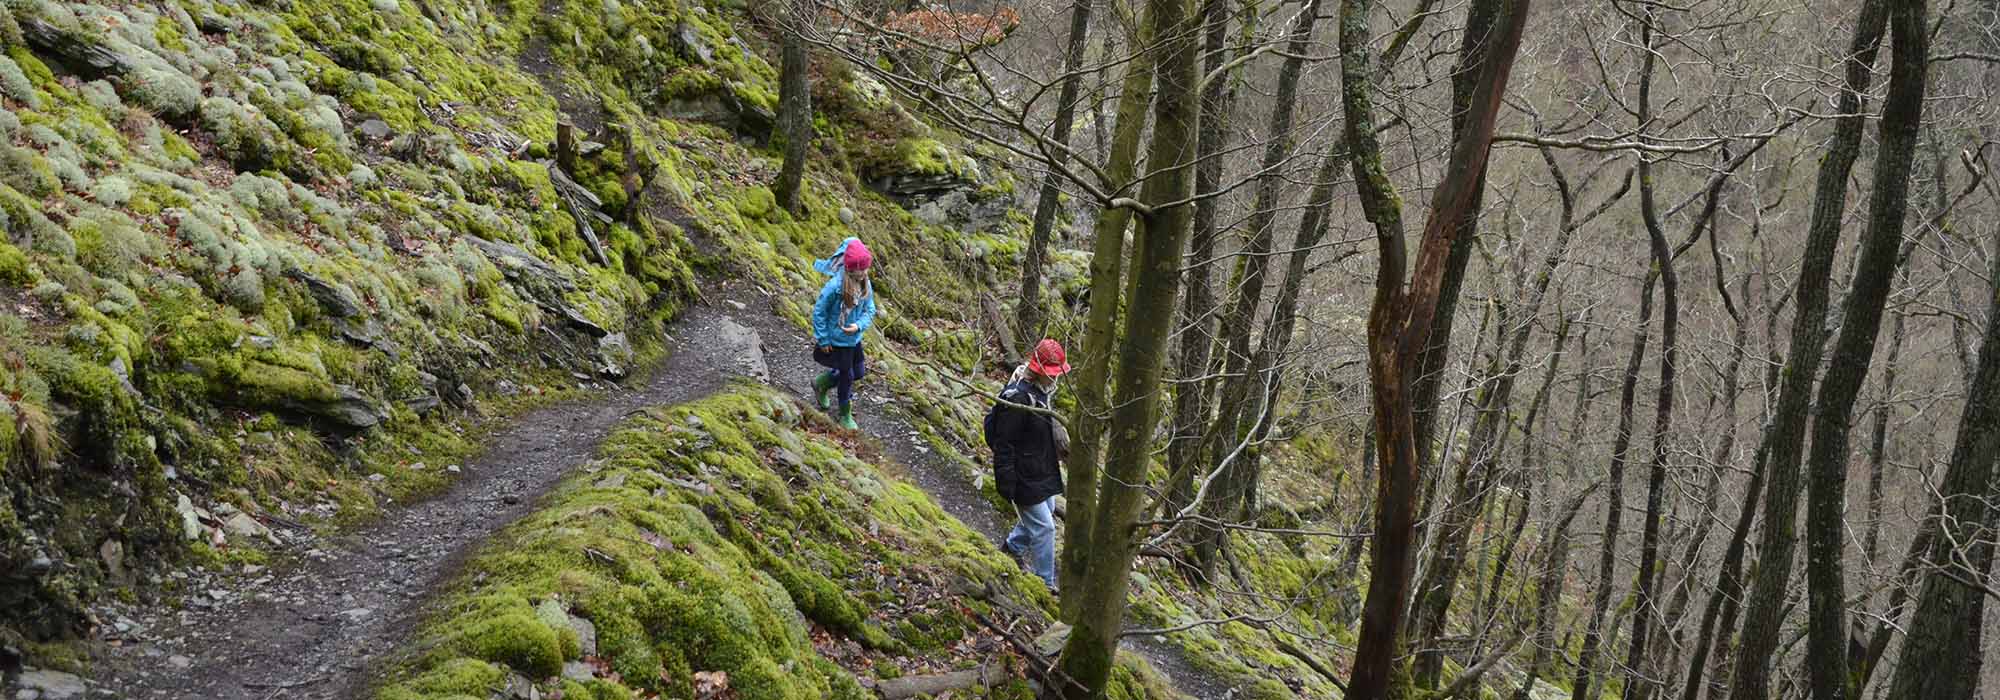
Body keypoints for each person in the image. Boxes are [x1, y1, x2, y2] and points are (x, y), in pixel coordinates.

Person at [985, 339, 1071, 592]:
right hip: (1022, 474)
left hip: (1040, 469)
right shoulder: (1018, 398)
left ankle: (1012, 548)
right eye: (1052, 373)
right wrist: (1006, 482)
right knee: (1045, 526)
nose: (1056, 379)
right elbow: (1004, 444)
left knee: (1046, 510)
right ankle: (1045, 582)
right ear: (1039, 369)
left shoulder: (1042, 393)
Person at [811, 237, 876, 430]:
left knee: (859, 373)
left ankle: (822, 382)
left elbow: (870, 309)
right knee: (847, 377)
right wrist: (822, 338)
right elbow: (819, 312)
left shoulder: (865, 283)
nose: (864, 273)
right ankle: (845, 414)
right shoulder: (835, 287)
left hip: (854, 339)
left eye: (866, 268)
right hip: (837, 341)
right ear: (849, 268)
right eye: (860, 269)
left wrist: (858, 326)